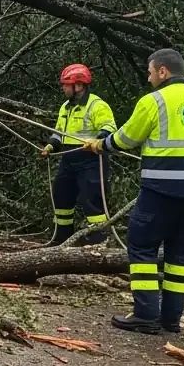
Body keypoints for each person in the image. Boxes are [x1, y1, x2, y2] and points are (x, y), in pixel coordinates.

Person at [84, 48, 184, 334]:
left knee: (142, 246)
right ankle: (171, 320)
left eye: (150, 72)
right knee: (180, 256)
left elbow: (127, 138)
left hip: (160, 190)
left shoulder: (154, 101)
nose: (148, 79)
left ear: (162, 71)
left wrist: (100, 145)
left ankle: (146, 315)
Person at [40, 63, 116, 245]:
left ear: (79, 86)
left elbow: (109, 128)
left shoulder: (97, 105)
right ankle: (62, 239)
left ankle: (98, 242)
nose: (63, 88)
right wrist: (50, 146)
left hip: (91, 159)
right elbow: (59, 132)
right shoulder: (65, 107)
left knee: (92, 200)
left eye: (66, 84)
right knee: (62, 196)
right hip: (68, 158)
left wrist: (97, 140)